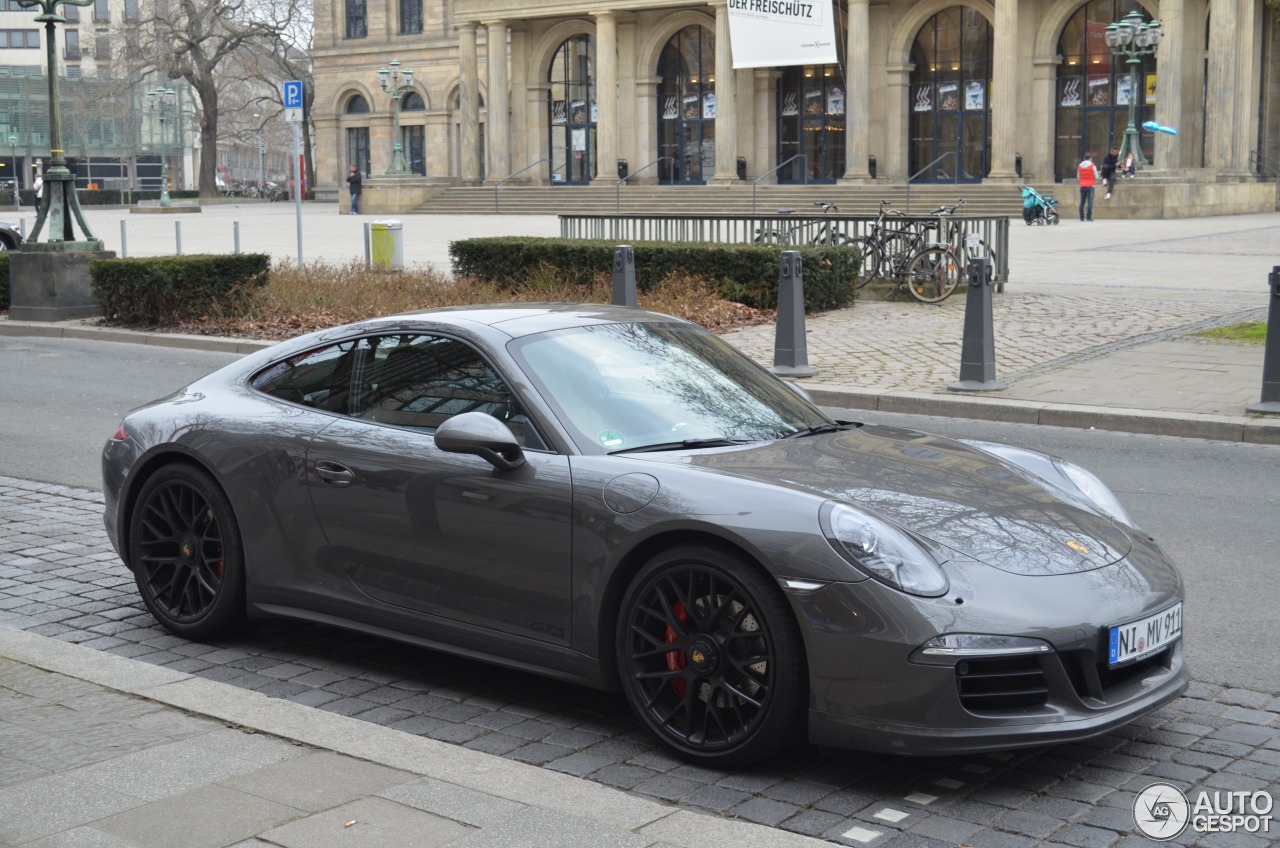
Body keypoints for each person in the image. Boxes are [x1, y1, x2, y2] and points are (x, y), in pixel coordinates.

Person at [1077, 152, 1100, 222]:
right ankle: (1088, 217)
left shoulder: (1080, 166)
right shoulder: (1092, 166)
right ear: (1090, 158)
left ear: (1084, 158)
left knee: (1082, 202)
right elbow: (1096, 176)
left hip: (1082, 186)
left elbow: (1078, 177)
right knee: (1090, 202)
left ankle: (1081, 217)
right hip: (1090, 186)